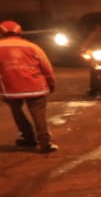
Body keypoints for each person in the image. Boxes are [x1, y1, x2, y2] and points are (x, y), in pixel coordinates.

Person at [0, 19, 58, 153]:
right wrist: (51, 84)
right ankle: (45, 143)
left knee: (17, 112)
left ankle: (28, 137)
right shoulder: (32, 47)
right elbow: (46, 67)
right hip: (35, 87)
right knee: (38, 115)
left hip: (10, 89)